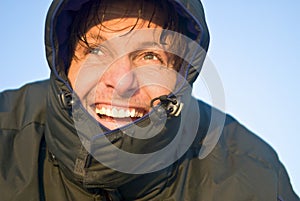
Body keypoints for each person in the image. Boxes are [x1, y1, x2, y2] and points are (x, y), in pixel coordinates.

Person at [0, 0, 299, 200]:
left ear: (182, 74)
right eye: (96, 52)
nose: (120, 82)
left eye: (150, 57)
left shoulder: (252, 179)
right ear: (65, 64)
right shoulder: (6, 140)